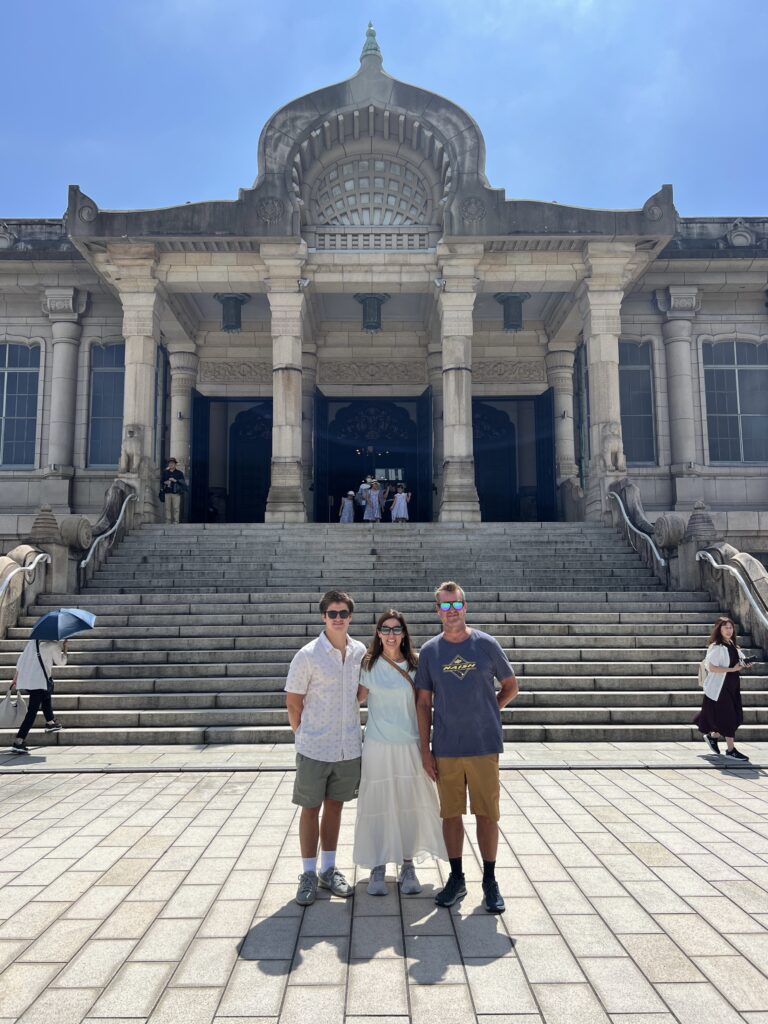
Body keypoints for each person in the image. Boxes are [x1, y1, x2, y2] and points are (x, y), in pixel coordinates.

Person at [415, 581, 519, 913]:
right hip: (446, 747)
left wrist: (492, 709)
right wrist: (424, 749)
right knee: (451, 814)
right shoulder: (431, 651)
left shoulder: (486, 644)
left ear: (465, 606)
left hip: (483, 744)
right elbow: (422, 704)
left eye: (455, 604)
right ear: (437, 611)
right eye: (444, 606)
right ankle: (457, 877)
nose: (451, 611)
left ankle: (490, 879)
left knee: (487, 814)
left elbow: (511, 685)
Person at [353, 610, 446, 896]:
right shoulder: (368, 665)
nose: (391, 634)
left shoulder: (417, 665)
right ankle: (378, 864)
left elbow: (425, 705)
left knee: (409, 805)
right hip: (377, 745)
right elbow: (355, 699)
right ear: (378, 634)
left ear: (404, 633)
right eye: (385, 629)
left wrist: (427, 746)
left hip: (410, 743)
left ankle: (408, 865)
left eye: (396, 629)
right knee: (377, 805)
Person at [284, 589, 366, 906]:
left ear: (350, 616)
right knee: (310, 808)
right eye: (332, 613)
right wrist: (303, 733)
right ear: (323, 616)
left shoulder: (359, 651)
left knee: (335, 808)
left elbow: (360, 694)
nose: (338, 619)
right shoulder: (307, 655)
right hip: (315, 747)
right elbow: (293, 702)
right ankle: (307, 873)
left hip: (348, 747)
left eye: (343, 613)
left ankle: (328, 869)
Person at [694, 616, 750, 761]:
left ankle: (713, 737)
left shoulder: (732, 644)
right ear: (719, 629)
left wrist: (746, 664)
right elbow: (711, 667)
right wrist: (732, 669)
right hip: (720, 688)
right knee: (729, 717)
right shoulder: (717, 647)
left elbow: (740, 661)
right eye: (725, 627)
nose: (729, 630)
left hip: (732, 686)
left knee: (735, 715)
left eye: (731, 627)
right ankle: (731, 750)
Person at [9, 638, 67, 753]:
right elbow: (61, 662)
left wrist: (15, 678)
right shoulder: (53, 645)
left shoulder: (33, 642)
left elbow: (21, 661)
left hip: (30, 681)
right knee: (32, 711)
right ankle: (19, 741)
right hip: (39, 682)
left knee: (46, 695)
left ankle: (50, 722)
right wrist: (65, 649)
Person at [160, 458, 187, 524]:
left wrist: (175, 480)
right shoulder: (165, 472)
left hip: (176, 492)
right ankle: (168, 521)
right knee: (167, 508)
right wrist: (165, 482)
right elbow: (161, 481)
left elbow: (183, 483)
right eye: (170, 463)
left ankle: (176, 521)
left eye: (172, 463)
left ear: (175, 464)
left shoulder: (179, 473)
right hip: (167, 492)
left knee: (176, 508)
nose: (171, 464)